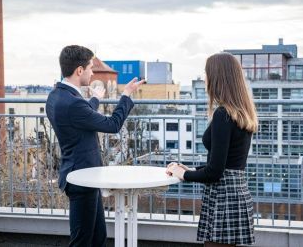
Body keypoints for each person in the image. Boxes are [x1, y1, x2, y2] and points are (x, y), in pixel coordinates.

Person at [46, 45, 144, 246]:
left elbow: (80, 116)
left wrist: (94, 99)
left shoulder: (56, 96)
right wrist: (126, 95)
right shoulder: (73, 103)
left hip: (80, 173)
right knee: (82, 240)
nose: (92, 72)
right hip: (82, 178)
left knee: (98, 237)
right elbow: (113, 125)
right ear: (79, 70)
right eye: (90, 67)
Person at [167, 52, 258, 247]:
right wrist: (189, 170)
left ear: (217, 77)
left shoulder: (223, 115)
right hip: (236, 192)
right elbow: (227, 164)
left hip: (224, 197)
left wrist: (184, 175)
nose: (205, 78)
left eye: (207, 73)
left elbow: (216, 172)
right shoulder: (241, 113)